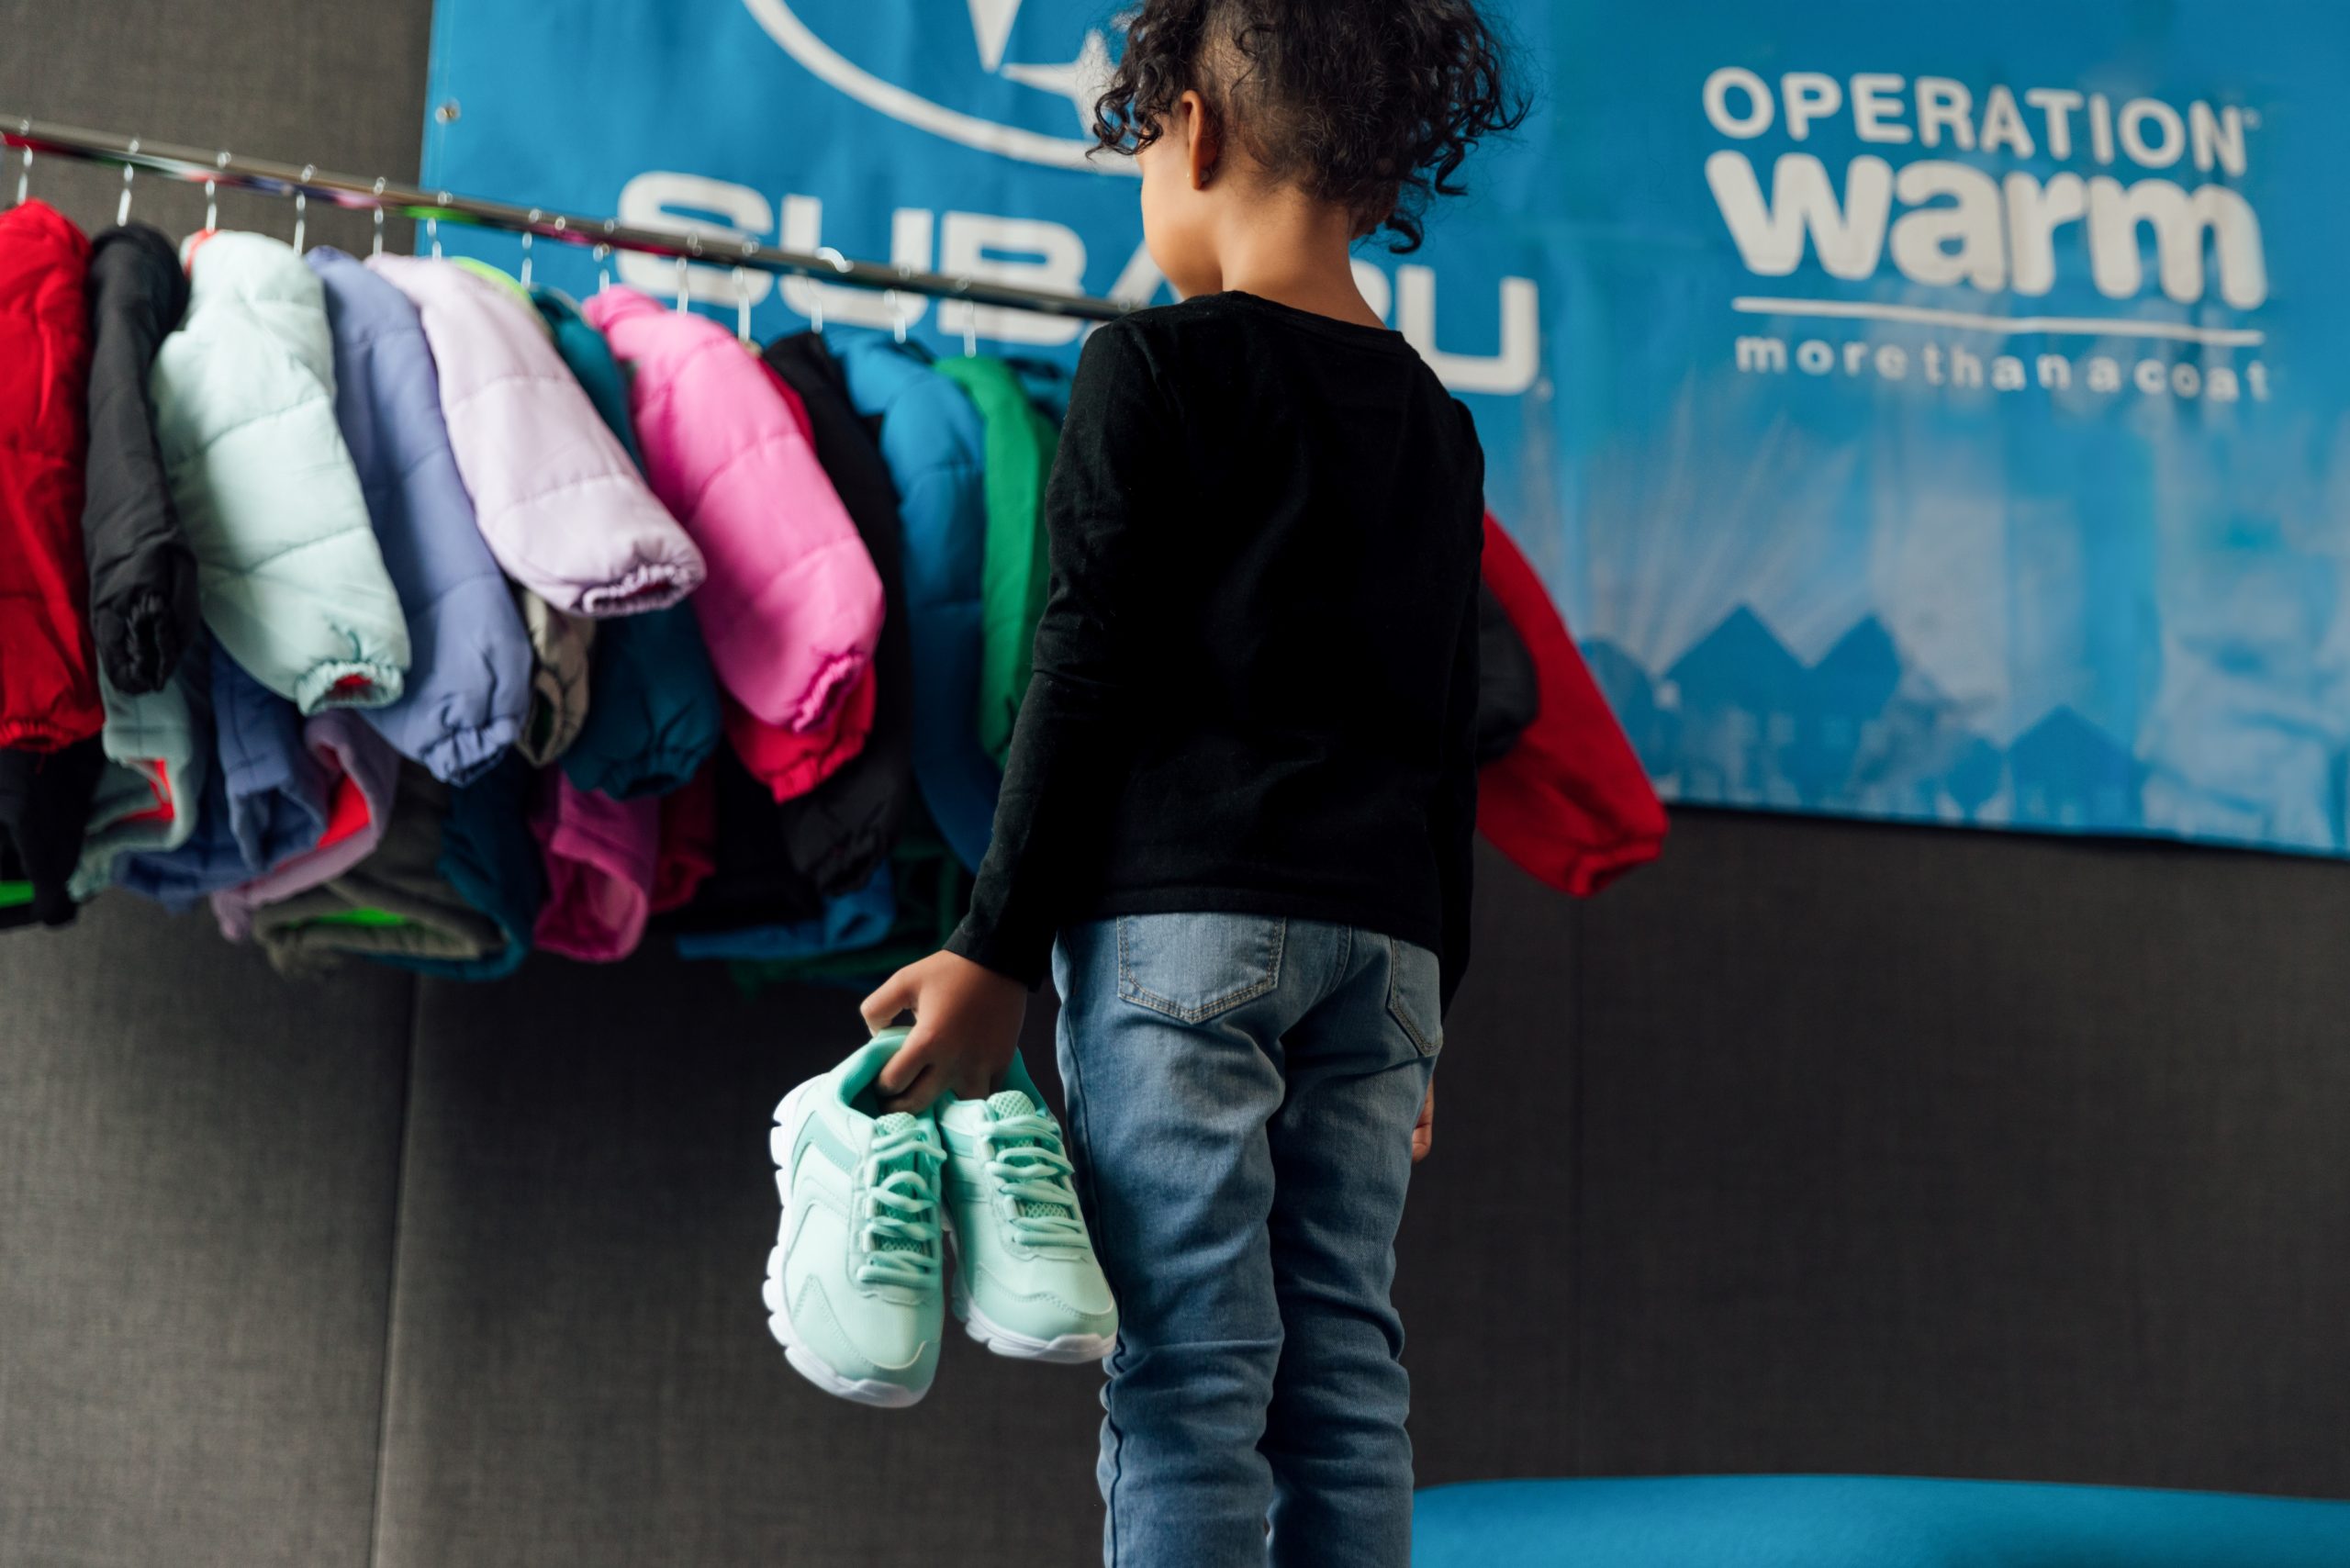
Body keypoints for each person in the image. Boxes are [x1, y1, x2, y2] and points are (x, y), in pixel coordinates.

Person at [858, 3, 1524, 1562]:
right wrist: (1432, 1013)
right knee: (1344, 1367)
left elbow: (1080, 674)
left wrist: (994, 946)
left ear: (1193, 132)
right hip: (1386, 961)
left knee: (1191, 1370)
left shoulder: (1150, 367)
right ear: (1378, 171)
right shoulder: (1439, 427)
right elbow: (1450, 737)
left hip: (1185, 946)